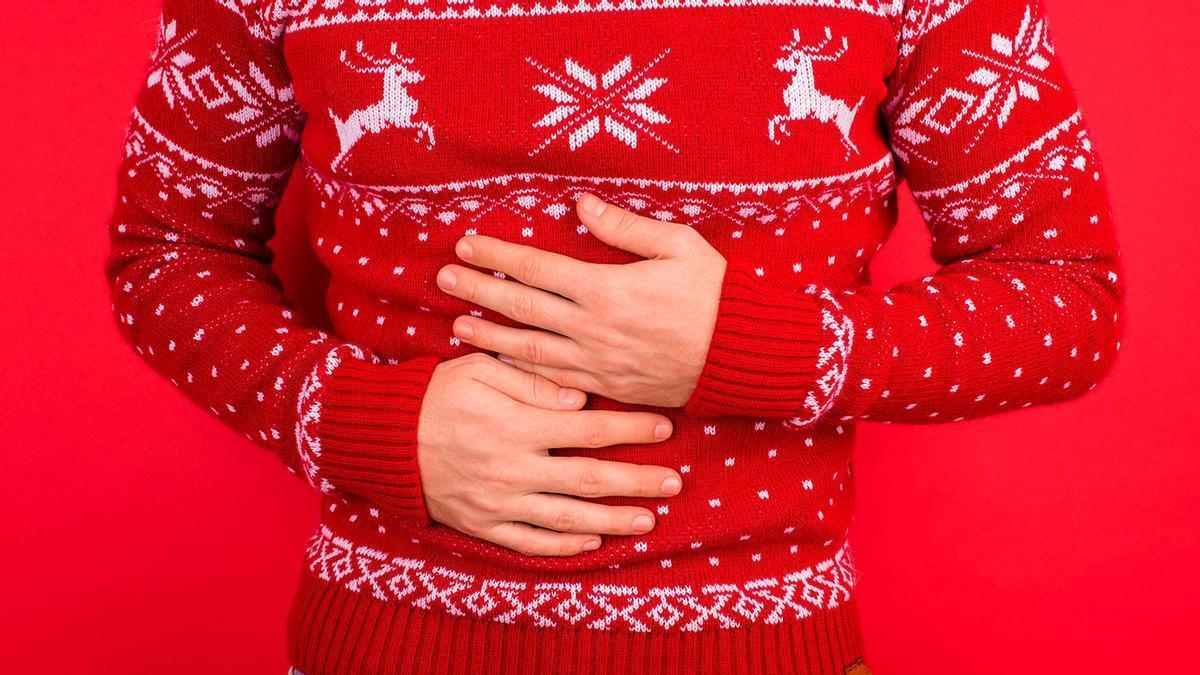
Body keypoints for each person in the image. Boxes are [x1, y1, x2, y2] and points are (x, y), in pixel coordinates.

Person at [104, 0, 1123, 672]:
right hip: (384, 641)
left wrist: (752, 347)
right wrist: (361, 422)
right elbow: (164, 252)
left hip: (765, 646)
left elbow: (1068, 300)